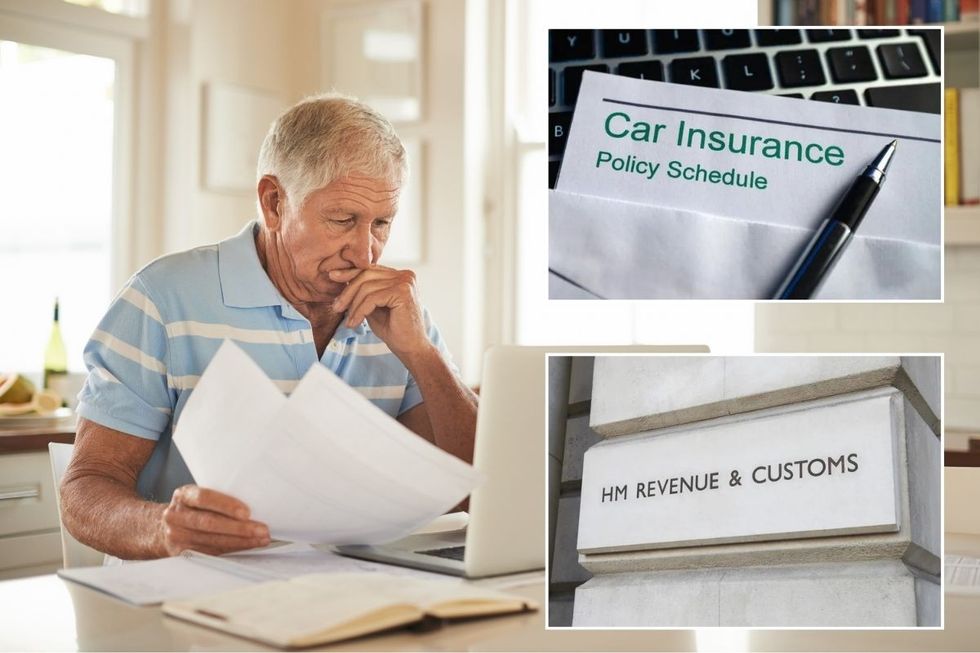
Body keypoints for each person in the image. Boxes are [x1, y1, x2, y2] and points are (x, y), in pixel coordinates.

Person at [61, 93, 478, 559]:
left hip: (348, 600)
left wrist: (423, 355)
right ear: (274, 202)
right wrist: (162, 528)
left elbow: (472, 495)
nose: (366, 252)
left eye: (381, 222)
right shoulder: (162, 299)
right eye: (342, 220)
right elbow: (85, 490)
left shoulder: (399, 314)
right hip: (190, 600)